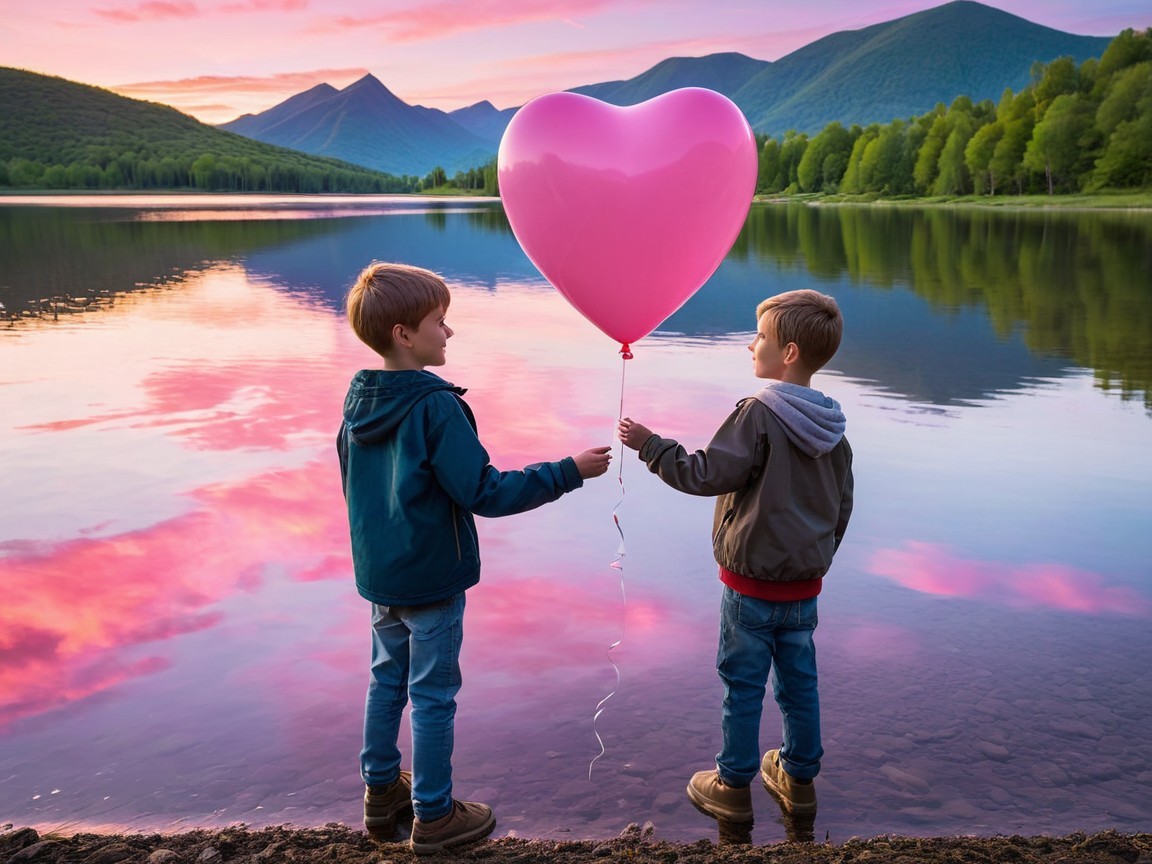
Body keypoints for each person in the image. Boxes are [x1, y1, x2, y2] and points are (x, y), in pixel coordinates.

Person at [338, 261, 612, 854]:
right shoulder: (436, 407)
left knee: (386, 682)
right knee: (433, 695)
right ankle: (433, 815)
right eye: (441, 322)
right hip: (432, 578)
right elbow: (483, 491)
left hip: (383, 575)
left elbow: (353, 491)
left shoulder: (360, 400)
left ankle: (381, 792)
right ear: (404, 335)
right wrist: (567, 472)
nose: (450, 333)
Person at [617, 289, 853, 826]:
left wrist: (651, 445)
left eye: (761, 337)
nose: (751, 346)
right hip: (804, 588)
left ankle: (732, 785)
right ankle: (799, 779)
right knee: (800, 686)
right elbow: (842, 507)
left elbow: (706, 474)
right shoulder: (834, 428)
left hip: (749, 586)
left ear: (788, 352)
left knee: (742, 686)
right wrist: (815, 559)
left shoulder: (758, 414)